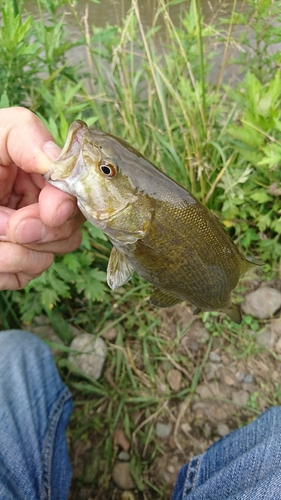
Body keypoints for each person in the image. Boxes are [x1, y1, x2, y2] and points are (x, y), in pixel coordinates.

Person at [1, 107, 281, 500]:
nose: (90, 156)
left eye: (107, 171)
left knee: (16, 353)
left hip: (190, 278)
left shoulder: (144, 227)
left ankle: (227, 304)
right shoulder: (132, 224)